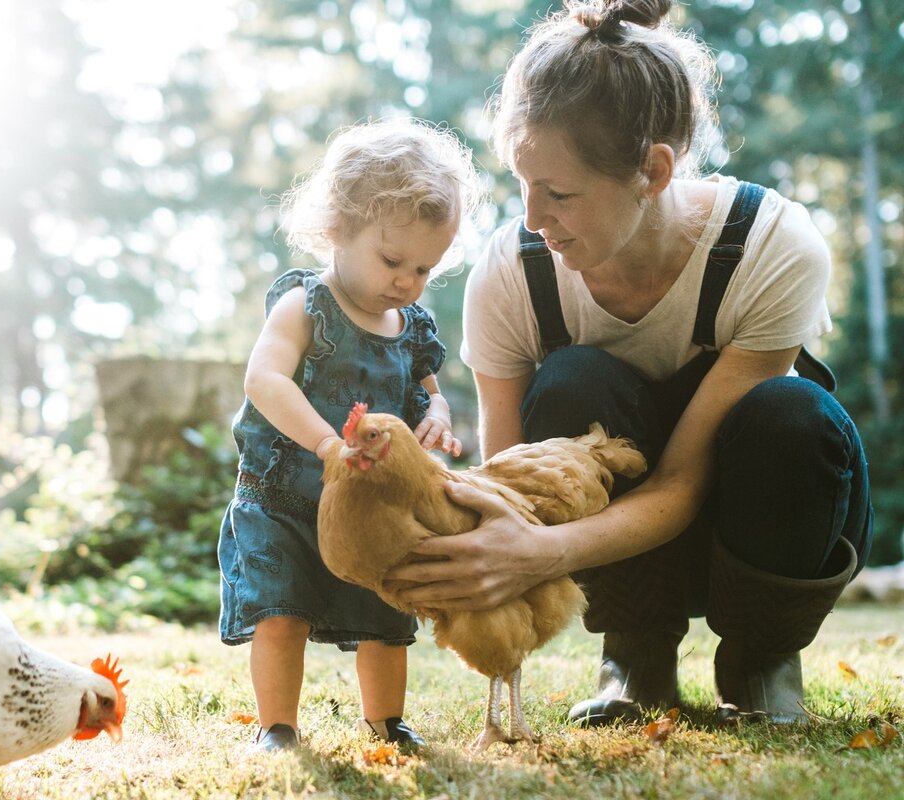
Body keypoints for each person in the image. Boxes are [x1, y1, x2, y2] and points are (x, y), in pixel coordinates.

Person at [385, 0, 874, 727]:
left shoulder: (773, 246)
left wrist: (542, 553)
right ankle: (634, 658)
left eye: (560, 193)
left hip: (761, 523)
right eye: (522, 183)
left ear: (653, 169)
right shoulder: (513, 274)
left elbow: (680, 484)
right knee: (571, 384)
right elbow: (516, 478)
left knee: (792, 414)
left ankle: (760, 658)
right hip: (618, 556)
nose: (531, 217)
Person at [218, 118, 484, 751]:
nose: (408, 282)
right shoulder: (306, 306)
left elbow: (430, 388)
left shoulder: (412, 326)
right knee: (279, 614)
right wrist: (326, 445)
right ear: (337, 229)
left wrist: (438, 416)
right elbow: (265, 380)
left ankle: (387, 722)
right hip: (283, 498)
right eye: (394, 261)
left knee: (384, 620)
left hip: (368, 510)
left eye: (426, 267)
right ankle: (278, 727)